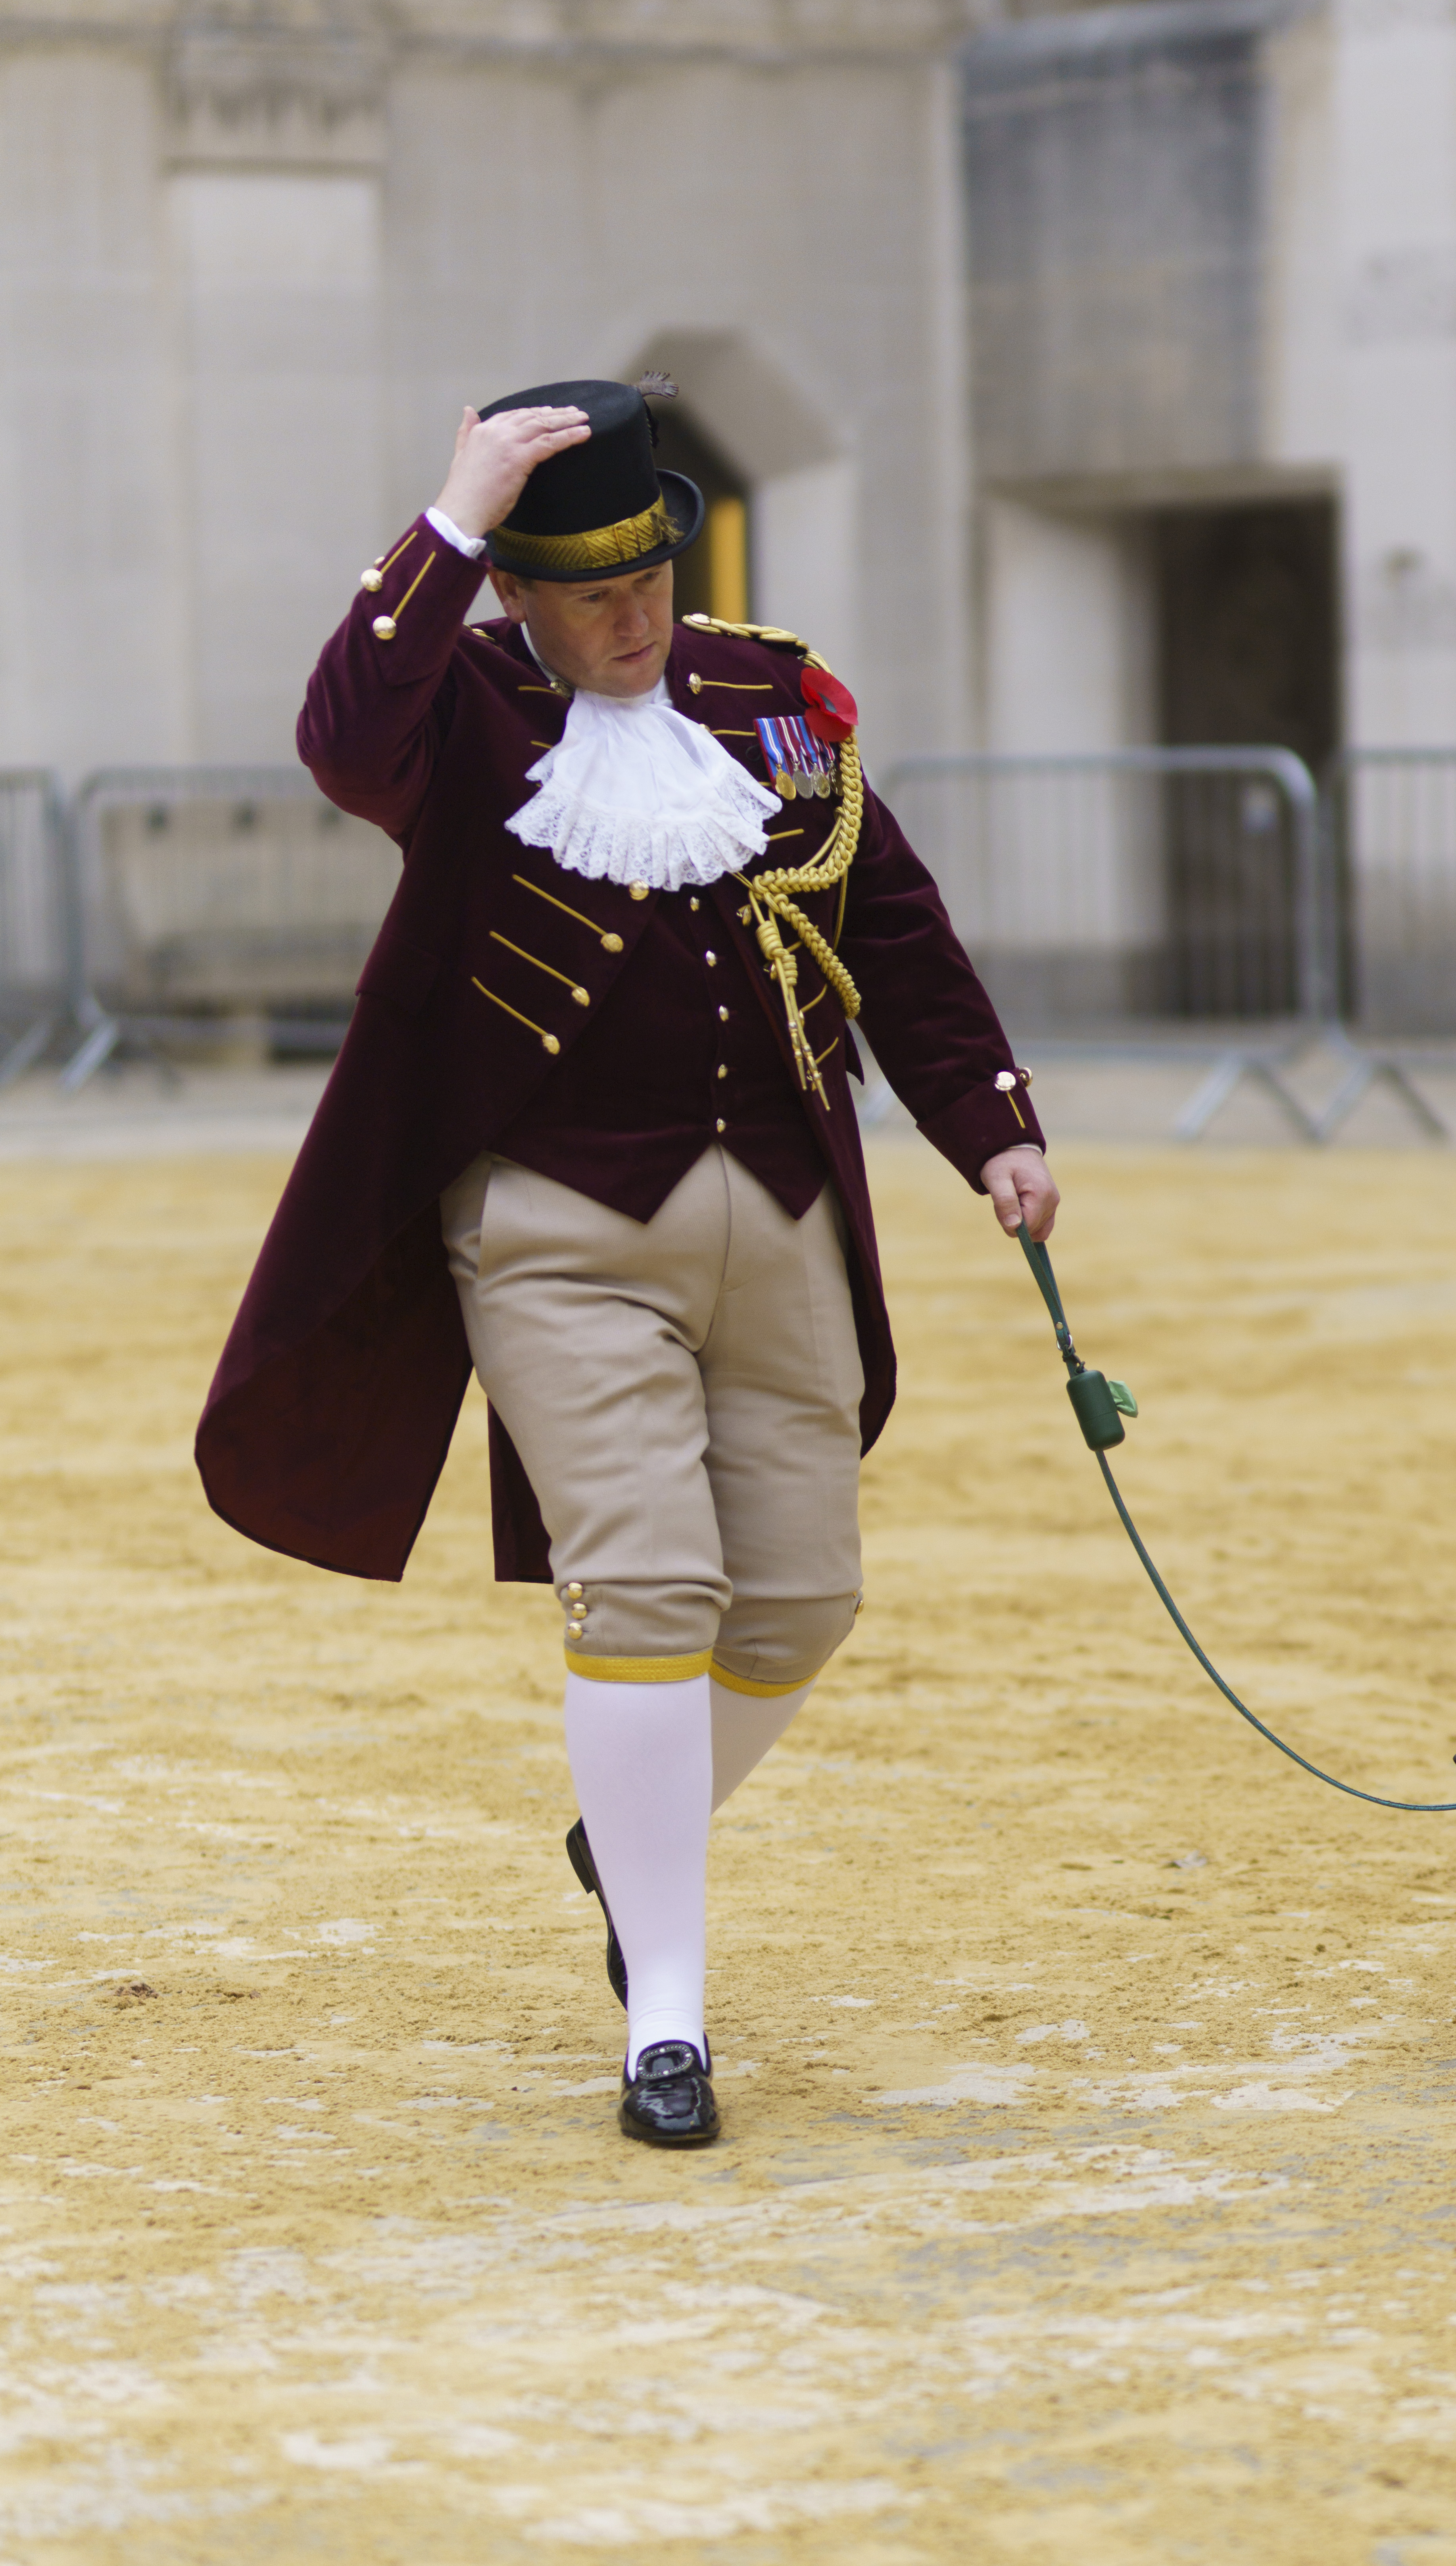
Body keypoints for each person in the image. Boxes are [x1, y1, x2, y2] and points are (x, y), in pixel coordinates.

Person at [196, 375, 1058, 2149]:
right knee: (652, 1589)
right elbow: (340, 738)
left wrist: (992, 1122)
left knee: (804, 1597)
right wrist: (447, 515)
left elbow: (884, 913)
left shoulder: (766, 688)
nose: (631, 616)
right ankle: (664, 2012)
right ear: (512, 587)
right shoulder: (460, 707)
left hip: (787, 1210)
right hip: (555, 1230)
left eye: (647, 577)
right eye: (585, 589)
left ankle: (628, 1826)